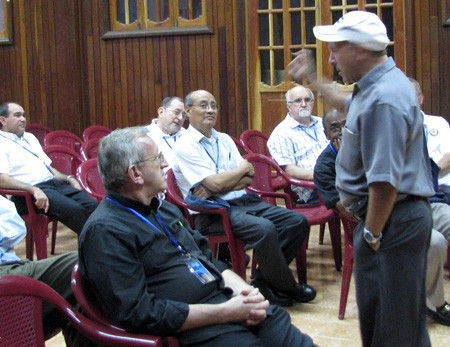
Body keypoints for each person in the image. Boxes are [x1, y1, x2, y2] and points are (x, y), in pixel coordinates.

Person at [78, 127, 316, 347]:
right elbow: (139, 313)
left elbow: (208, 260)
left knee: (287, 333)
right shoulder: (105, 231)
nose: (165, 164)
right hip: (189, 328)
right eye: (157, 158)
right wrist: (227, 312)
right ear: (135, 173)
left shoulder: (163, 209)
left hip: (223, 302)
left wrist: (247, 295)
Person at [288, 11, 434, 346]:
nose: (331, 57)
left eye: (336, 49)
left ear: (360, 50)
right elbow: (342, 101)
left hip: (390, 220)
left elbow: (384, 182)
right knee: (401, 323)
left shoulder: (384, 98)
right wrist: (312, 76)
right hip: (393, 218)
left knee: (390, 330)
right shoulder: (379, 85)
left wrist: (372, 232)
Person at [172, 89, 316, 307]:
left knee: (297, 221)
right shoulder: (185, 144)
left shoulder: (224, 140)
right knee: (264, 229)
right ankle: (288, 286)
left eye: (214, 105)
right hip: (212, 212)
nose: (210, 110)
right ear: (188, 111)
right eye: (203, 105)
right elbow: (216, 184)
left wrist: (223, 181)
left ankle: (264, 283)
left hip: (243, 202)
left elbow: (248, 176)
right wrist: (225, 180)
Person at [314, 109, 450, 327]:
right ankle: (433, 303)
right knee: (433, 242)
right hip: (376, 222)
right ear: (325, 134)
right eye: (334, 128)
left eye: (346, 125)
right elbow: (349, 210)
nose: (342, 132)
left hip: (413, 204)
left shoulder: (374, 144)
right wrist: (350, 164)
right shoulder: (325, 166)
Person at [0, 102, 97, 235]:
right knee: (74, 210)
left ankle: (101, 244)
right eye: (17, 115)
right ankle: (100, 246)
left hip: (53, 185)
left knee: (92, 206)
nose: (23, 119)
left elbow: (49, 168)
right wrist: (33, 189)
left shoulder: (30, 137)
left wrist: (69, 178)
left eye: (24, 115)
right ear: (3, 120)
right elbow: (2, 180)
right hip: (27, 194)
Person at [0, 194, 78, 337]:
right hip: (5, 272)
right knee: (81, 265)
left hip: (13, 264)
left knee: (81, 295)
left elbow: (16, 226)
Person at [267, 86, 328, 204]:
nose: (304, 104)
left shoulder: (322, 123)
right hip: (313, 187)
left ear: (313, 103)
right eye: (298, 101)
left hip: (336, 177)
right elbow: (290, 170)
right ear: (288, 106)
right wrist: (322, 175)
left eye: (307, 100)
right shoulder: (281, 133)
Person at [409, 77, 450, 204]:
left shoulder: (438, 123)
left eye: (412, 95)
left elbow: (448, 158)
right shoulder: (392, 128)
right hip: (411, 192)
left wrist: (428, 176)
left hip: (442, 187)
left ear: (421, 98)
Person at [146, 96, 187, 170]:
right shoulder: (145, 136)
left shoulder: (188, 136)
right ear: (161, 112)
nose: (180, 118)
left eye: (184, 115)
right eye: (176, 112)